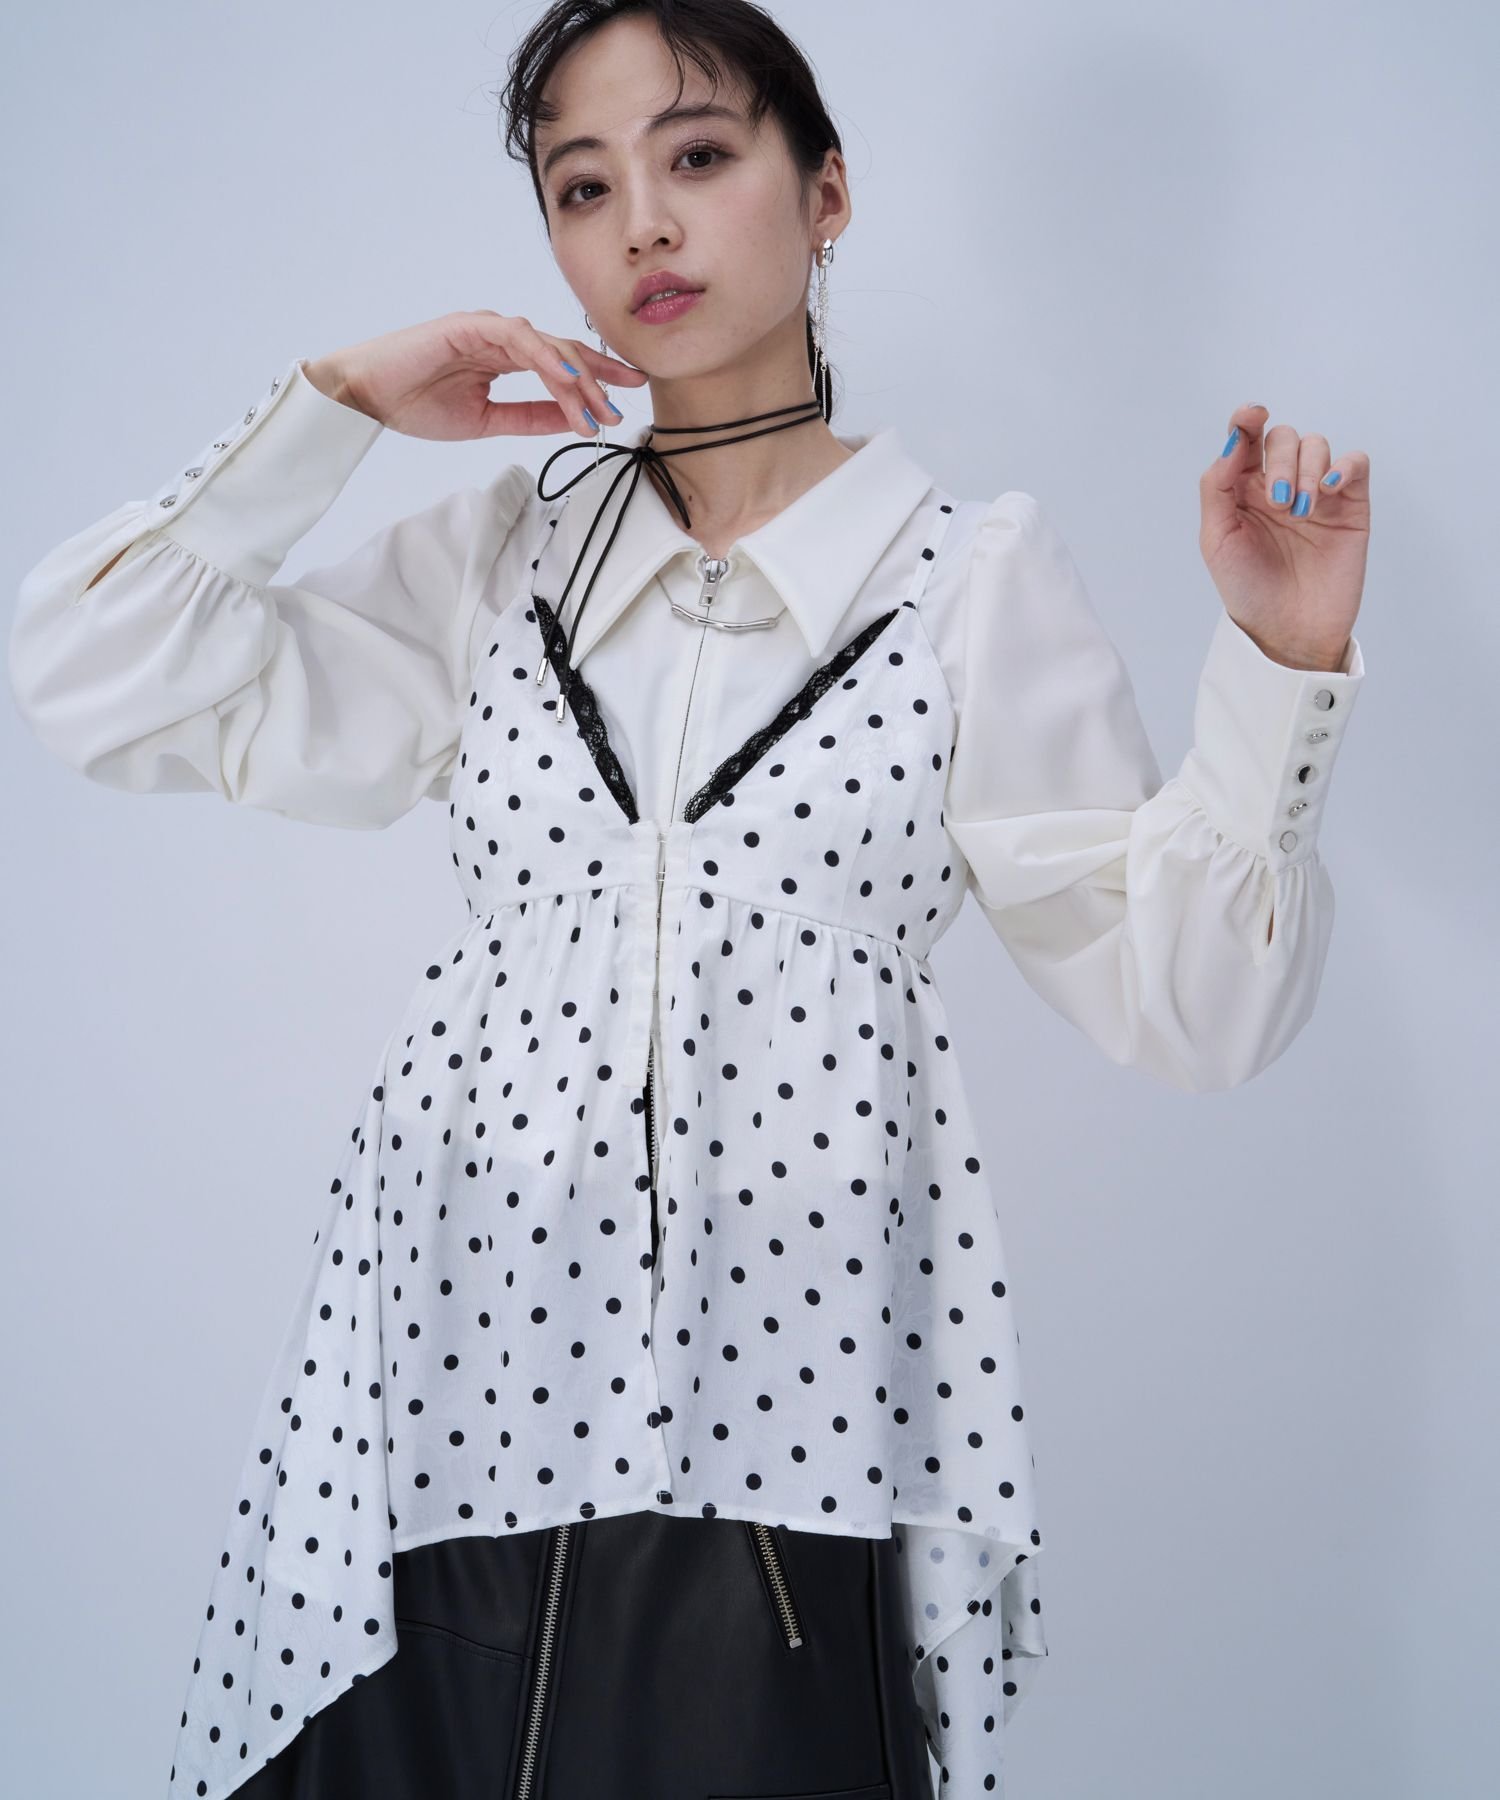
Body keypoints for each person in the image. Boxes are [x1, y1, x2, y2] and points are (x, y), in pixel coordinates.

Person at [7, 3, 1371, 1797]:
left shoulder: (964, 580)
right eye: (582, 188)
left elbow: (1194, 1005)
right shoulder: (504, 557)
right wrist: (337, 408)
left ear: (827, 195)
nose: (641, 222)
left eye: (700, 157)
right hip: (435, 1430)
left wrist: (1281, 666)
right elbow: (93, 674)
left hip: (777, 1464)